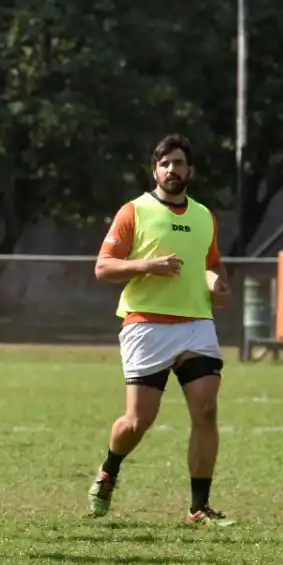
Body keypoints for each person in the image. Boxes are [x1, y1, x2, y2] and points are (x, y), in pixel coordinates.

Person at [88, 134, 234, 526]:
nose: (173, 169)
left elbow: (211, 263)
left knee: (206, 410)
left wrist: (216, 283)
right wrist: (145, 266)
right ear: (155, 170)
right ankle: (109, 470)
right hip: (146, 324)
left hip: (196, 324)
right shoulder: (133, 211)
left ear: (191, 171)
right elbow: (103, 267)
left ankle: (198, 508)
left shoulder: (205, 216)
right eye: (165, 163)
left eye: (179, 163)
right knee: (138, 421)